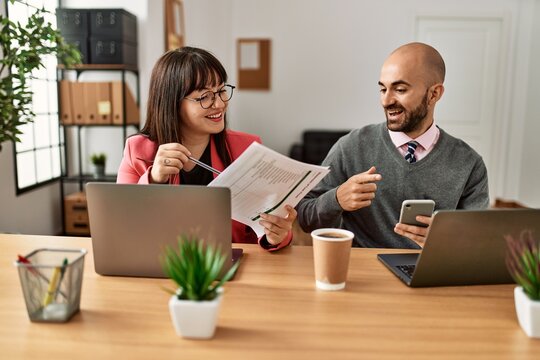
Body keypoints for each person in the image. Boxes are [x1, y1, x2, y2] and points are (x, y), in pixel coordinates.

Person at [296, 42, 489, 249]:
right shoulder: (352, 146)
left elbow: (477, 243)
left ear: (434, 94)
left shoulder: (469, 164)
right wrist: (336, 199)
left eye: (400, 89)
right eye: (382, 89)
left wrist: (447, 240)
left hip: (428, 272)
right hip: (363, 274)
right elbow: (305, 218)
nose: (386, 101)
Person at [117, 46, 296, 251]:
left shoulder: (247, 148)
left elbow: (270, 225)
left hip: (230, 267)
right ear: (171, 103)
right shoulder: (138, 151)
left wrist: (277, 235)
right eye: (204, 97)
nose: (219, 104)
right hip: (163, 264)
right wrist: (153, 180)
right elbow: (123, 224)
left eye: (220, 91)